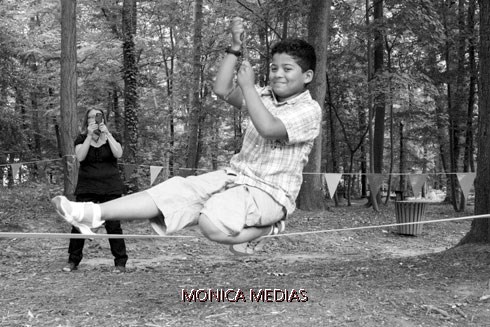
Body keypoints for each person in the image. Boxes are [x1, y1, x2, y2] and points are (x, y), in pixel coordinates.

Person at [52, 17, 321, 255]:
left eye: (287, 69)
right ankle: (92, 214)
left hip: (271, 193)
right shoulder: (263, 96)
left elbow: (270, 128)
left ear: (307, 76)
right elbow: (222, 89)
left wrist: (249, 87)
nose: (278, 74)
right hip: (236, 177)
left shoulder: (309, 110)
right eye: (274, 68)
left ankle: (269, 228)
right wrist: (234, 48)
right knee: (172, 191)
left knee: (210, 223)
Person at [61, 108, 128, 272]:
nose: (94, 119)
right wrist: (90, 136)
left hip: (110, 186)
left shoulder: (113, 136)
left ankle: (120, 262)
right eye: (90, 117)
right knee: (78, 223)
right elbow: (81, 157)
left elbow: (118, 153)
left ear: (103, 118)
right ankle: (73, 261)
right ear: (87, 120)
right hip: (87, 185)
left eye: (97, 116)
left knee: (113, 225)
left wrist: (108, 134)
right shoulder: (82, 138)